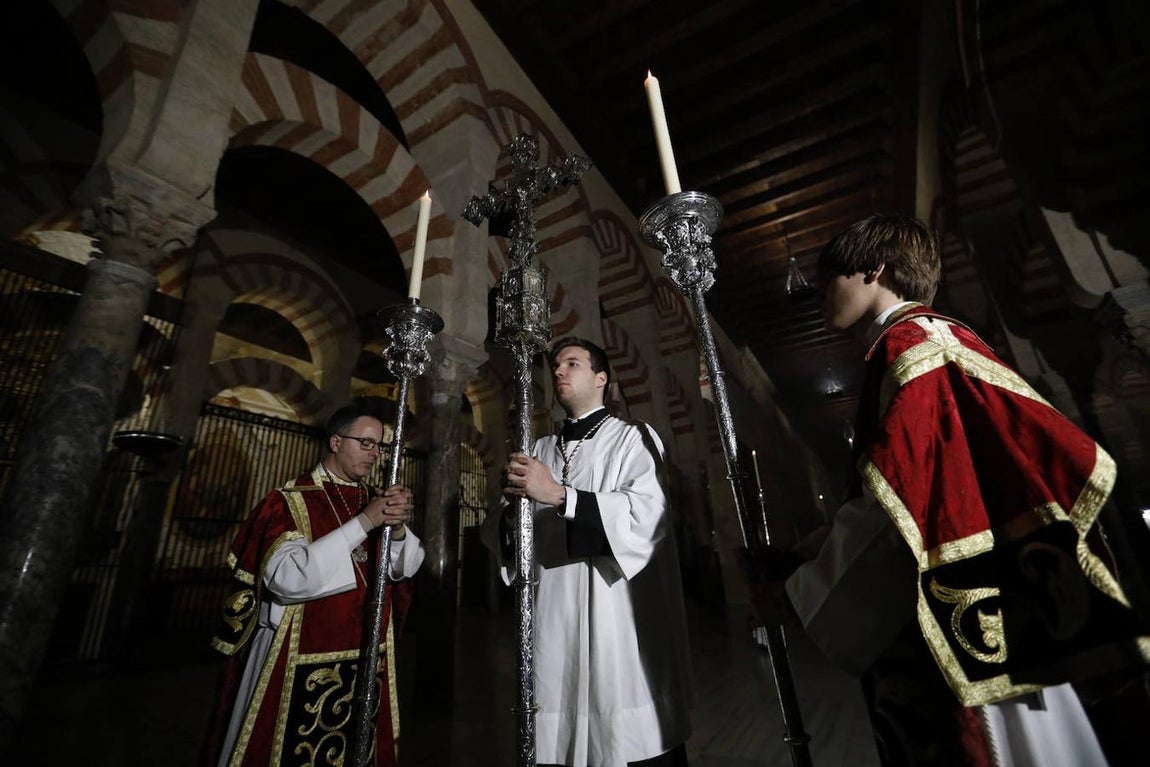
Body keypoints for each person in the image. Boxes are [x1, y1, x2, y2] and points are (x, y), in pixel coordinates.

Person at [749, 214, 1150, 766]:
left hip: (970, 614)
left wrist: (799, 593)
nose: (823, 295)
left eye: (831, 278)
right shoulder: (939, 337)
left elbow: (901, 504)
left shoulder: (911, 349)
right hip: (1004, 588)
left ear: (874, 270)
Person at [483, 337, 693, 767]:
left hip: (613, 618)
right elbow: (501, 528)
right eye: (556, 365)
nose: (558, 371)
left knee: (618, 733)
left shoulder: (633, 438)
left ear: (601, 379)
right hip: (552, 615)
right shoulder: (538, 449)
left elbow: (646, 520)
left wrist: (561, 496)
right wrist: (508, 520)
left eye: (572, 364)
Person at [203, 404, 425, 767]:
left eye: (379, 446)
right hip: (291, 656)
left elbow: (406, 568)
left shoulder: (374, 498)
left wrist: (397, 530)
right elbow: (289, 579)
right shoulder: (287, 501)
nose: (375, 454)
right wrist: (364, 524)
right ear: (336, 442)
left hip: (364, 654)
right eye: (365, 443)